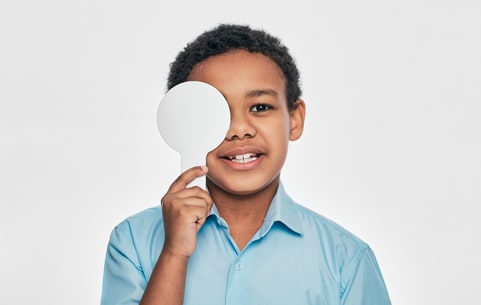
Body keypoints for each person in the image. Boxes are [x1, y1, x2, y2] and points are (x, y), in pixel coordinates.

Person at [101, 24, 391, 305]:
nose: (239, 128)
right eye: (216, 111)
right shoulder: (133, 242)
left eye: (260, 107)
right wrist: (174, 254)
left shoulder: (346, 259)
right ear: (183, 123)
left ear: (295, 119)